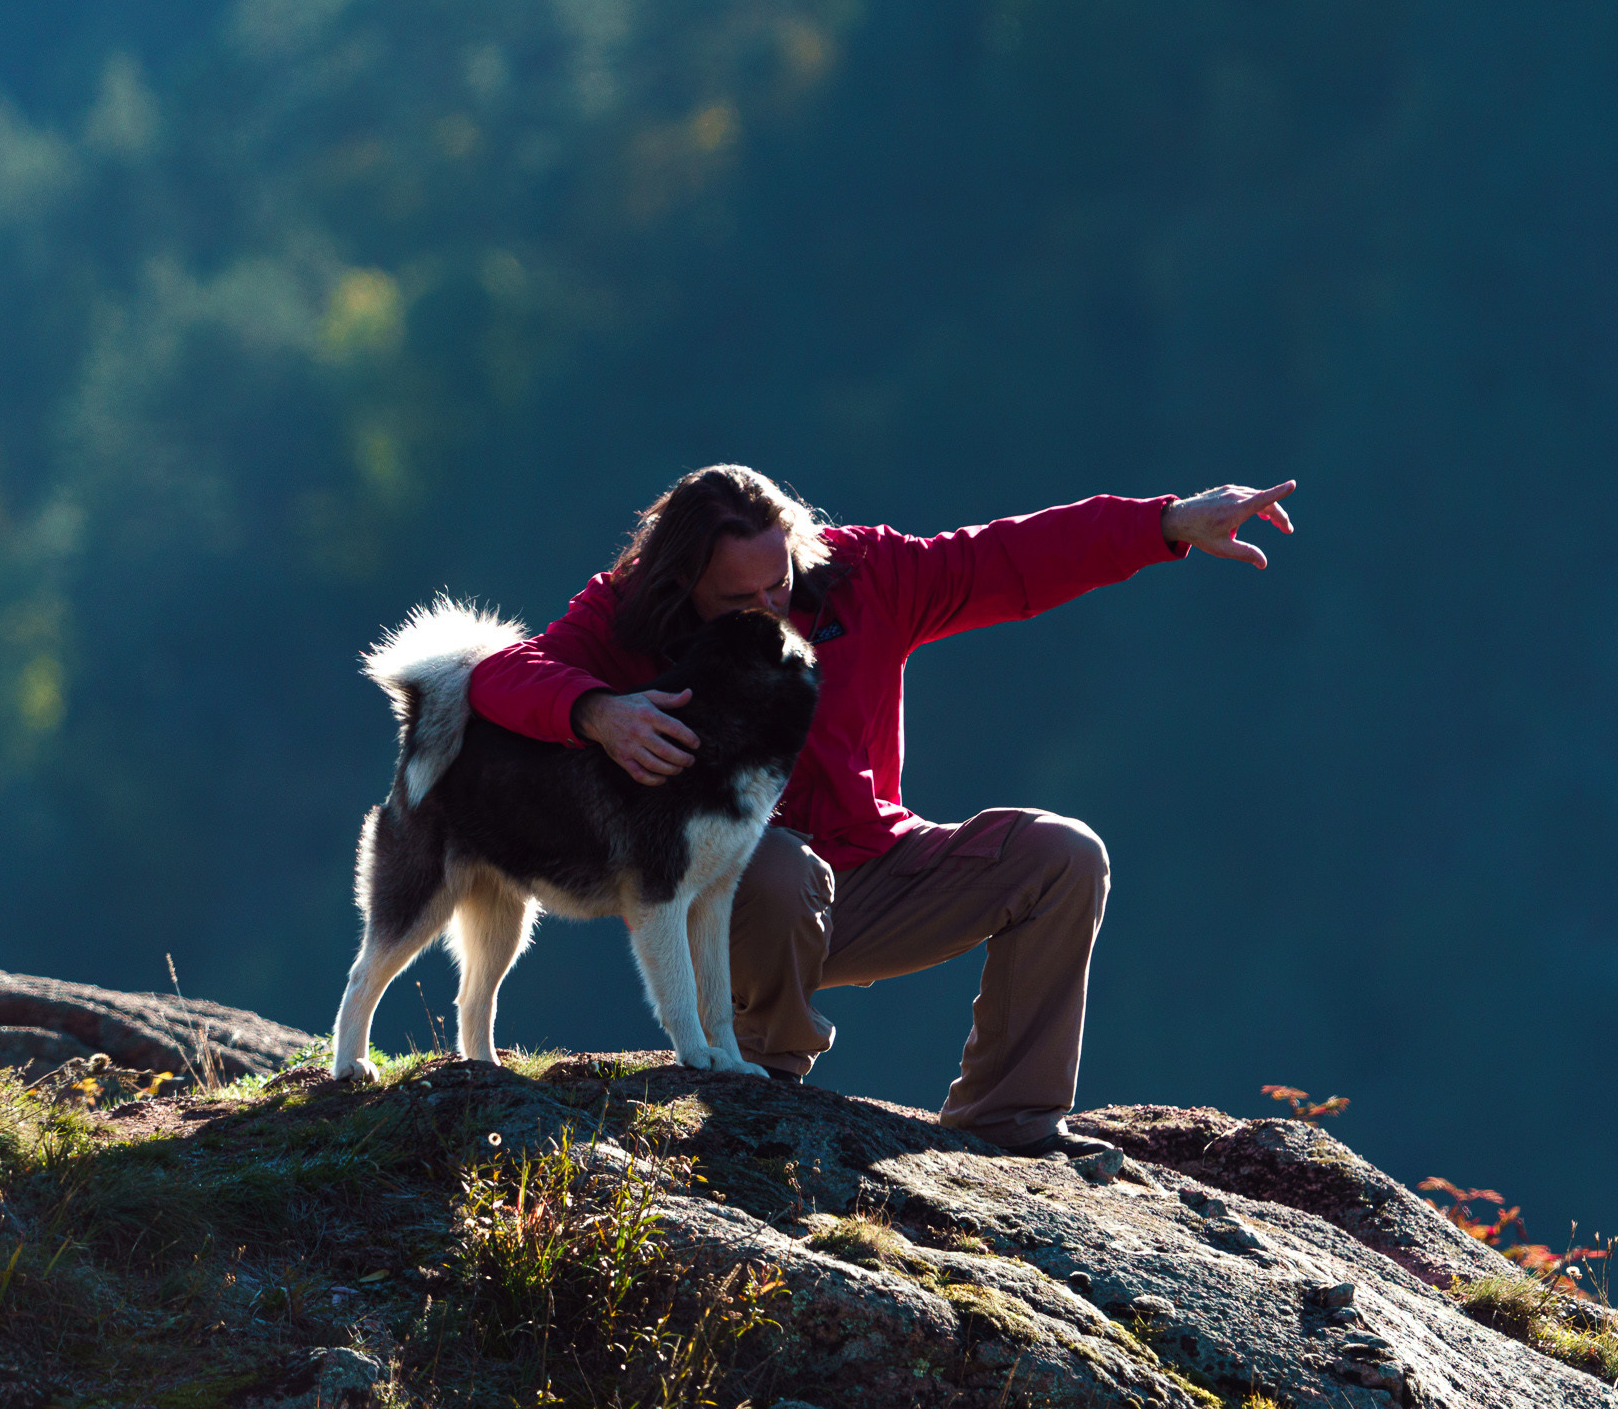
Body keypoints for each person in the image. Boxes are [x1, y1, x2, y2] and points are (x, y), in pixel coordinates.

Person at [467, 465, 1296, 1157]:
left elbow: (1006, 560)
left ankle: (1011, 1120)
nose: (769, 606)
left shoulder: (865, 576)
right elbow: (501, 674)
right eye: (739, 598)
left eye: (778, 583)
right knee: (775, 864)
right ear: (682, 581)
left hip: (878, 873)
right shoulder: (626, 616)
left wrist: (1167, 523)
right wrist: (595, 712)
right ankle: (754, 1079)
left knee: (1063, 853)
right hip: (744, 901)